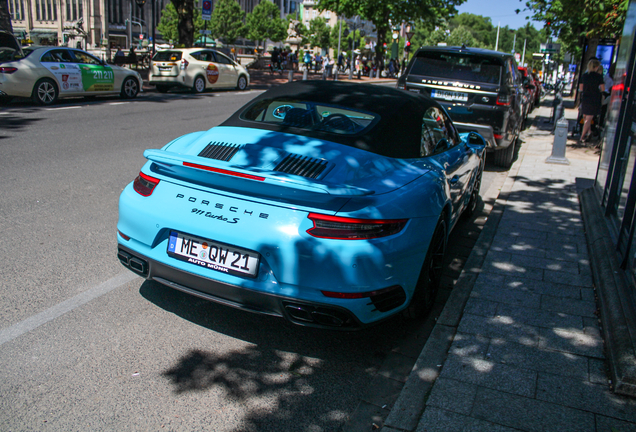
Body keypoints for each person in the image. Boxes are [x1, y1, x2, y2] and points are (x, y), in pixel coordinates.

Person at [578, 58, 605, 143]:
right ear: (596, 67)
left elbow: (581, 88)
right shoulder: (598, 77)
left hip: (585, 97)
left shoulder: (584, 76)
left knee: (585, 116)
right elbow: (603, 88)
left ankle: (589, 132)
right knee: (588, 118)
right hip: (594, 98)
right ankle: (582, 137)